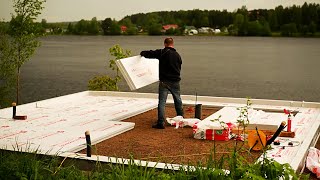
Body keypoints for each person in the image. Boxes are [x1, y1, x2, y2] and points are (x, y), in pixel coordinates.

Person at [140, 37, 184, 129]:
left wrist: (142, 53)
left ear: (165, 44)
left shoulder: (162, 52)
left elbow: (150, 53)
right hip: (176, 81)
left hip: (164, 81)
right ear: (173, 44)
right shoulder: (177, 55)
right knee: (178, 100)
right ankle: (181, 118)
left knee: (162, 102)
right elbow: (179, 67)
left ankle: (161, 122)